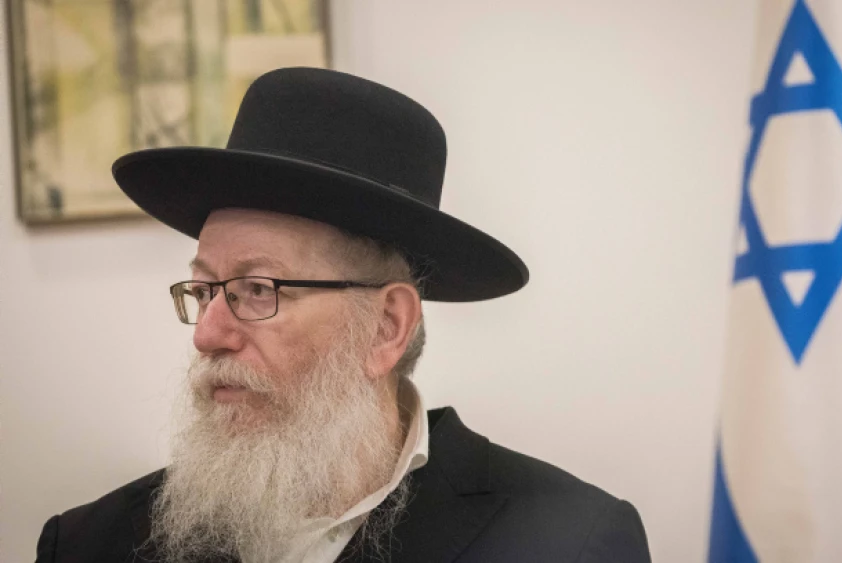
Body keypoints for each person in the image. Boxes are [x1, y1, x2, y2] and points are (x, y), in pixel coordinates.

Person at [34, 67, 651, 563]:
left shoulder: (572, 543)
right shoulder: (90, 545)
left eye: (255, 289)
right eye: (203, 290)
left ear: (386, 328)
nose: (207, 334)